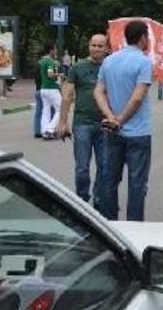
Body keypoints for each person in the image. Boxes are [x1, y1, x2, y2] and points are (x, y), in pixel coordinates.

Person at [93, 20, 153, 221]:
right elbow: (137, 97)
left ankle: (109, 225)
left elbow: (98, 91)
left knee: (109, 180)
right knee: (136, 183)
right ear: (143, 38)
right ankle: (134, 226)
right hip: (138, 133)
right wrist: (121, 119)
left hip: (113, 131)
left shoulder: (109, 61)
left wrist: (110, 116)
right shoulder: (144, 62)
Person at [57, 34, 108, 205]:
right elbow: (67, 96)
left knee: (104, 167)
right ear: (89, 46)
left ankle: (99, 201)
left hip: (105, 125)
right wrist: (62, 122)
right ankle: (82, 201)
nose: (96, 49)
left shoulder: (110, 67)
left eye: (100, 46)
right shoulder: (77, 67)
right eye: (94, 45)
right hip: (82, 124)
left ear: (106, 48)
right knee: (82, 168)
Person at [38, 44, 62, 139]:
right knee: (62, 109)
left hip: (43, 88)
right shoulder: (50, 62)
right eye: (55, 49)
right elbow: (50, 75)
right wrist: (60, 75)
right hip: (52, 88)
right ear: (51, 50)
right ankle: (50, 129)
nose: (56, 51)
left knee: (46, 110)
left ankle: (44, 130)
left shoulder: (42, 61)